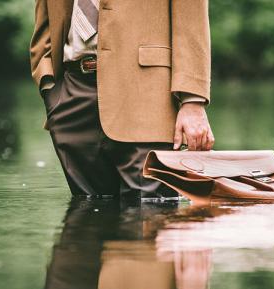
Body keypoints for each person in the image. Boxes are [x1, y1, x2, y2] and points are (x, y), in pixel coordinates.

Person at [30, 0, 214, 199]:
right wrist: (48, 84)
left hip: (149, 96)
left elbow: (191, 16)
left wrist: (192, 99)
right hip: (72, 96)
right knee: (87, 219)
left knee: (151, 217)